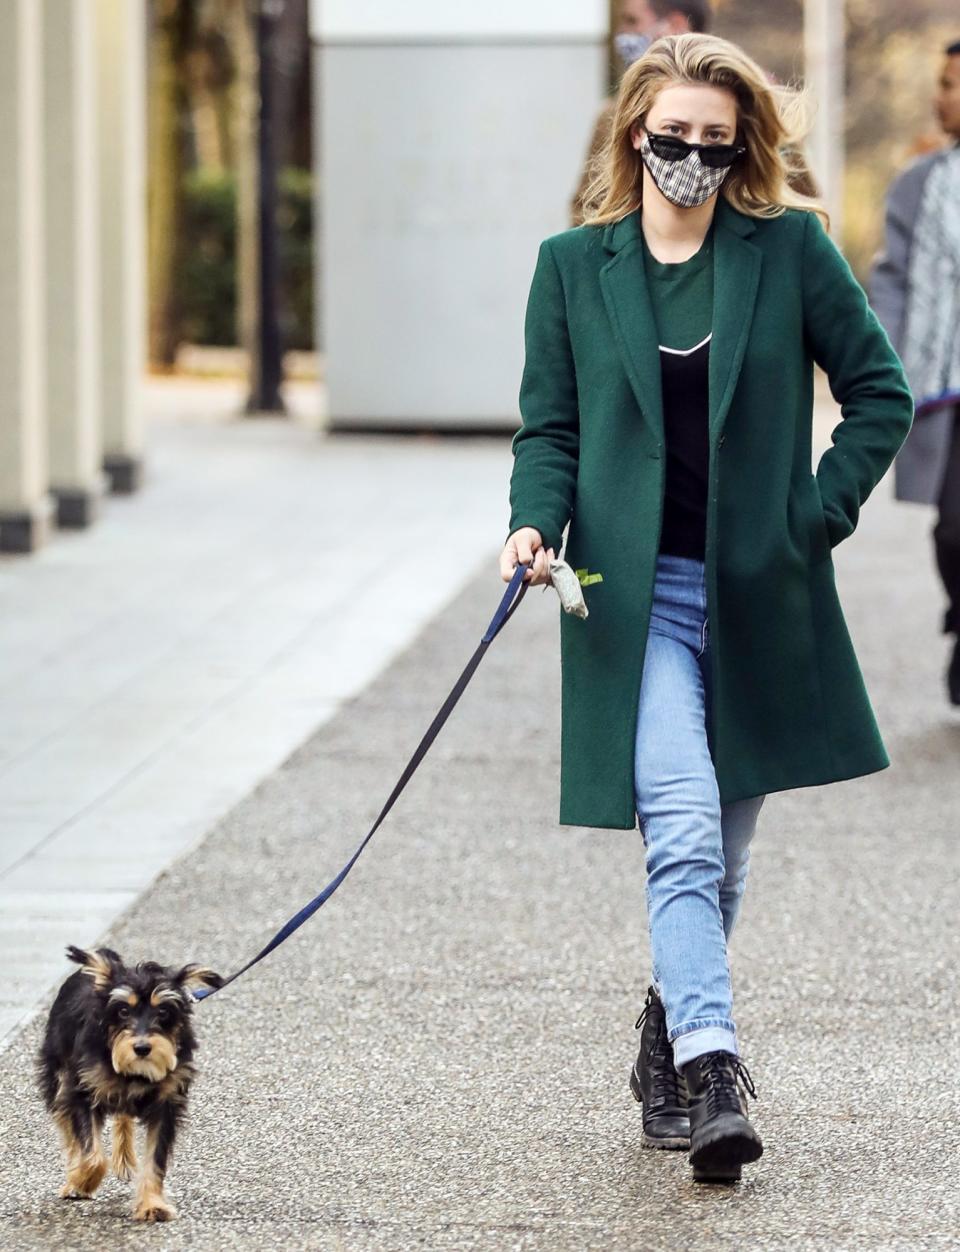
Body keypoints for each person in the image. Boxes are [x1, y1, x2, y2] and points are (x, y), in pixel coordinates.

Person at [501, 33, 913, 1184]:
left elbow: (880, 391)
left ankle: (663, 1034)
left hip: (757, 603)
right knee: (679, 831)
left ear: (742, 150)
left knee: (720, 869)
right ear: (635, 130)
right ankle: (713, 1064)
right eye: (672, 138)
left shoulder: (789, 251)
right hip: (631, 608)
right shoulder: (574, 266)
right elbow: (552, 429)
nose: (690, 159)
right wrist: (534, 521)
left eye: (715, 145)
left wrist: (813, 516)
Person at [870, 38, 960, 707]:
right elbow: (892, 280)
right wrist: (886, 365)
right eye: (942, 83)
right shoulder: (919, 182)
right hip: (943, 381)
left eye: (954, 85)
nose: (942, 98)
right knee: (954, 527)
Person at [571, 1, 713, 225]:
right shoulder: (613, 116)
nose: (621, 34)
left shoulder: (742, 108)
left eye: (632, 21)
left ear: (675, 26)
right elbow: (585, 209)